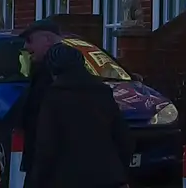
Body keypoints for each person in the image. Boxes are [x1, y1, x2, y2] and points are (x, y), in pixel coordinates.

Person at [28, 41, 131, 188]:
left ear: (53, 70)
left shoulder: (55, 97)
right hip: (108, 177)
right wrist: (120, 171)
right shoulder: (102, 92)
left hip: (67, 179)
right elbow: (123, 137)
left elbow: (46, 146)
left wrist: (37, 179)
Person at [20, 20, 62, 174]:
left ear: (47, 40)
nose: (26, 47)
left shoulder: (50, 74)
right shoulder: (43, 70)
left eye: (30, 40)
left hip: (49, 165)